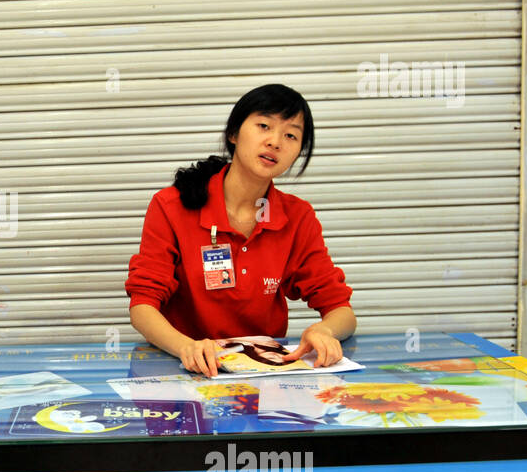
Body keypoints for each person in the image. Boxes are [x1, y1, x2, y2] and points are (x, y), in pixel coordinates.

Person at [125, 84, 356, 378]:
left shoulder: (297, 217)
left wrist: (323, 330)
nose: (275, 142)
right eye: (264, 126)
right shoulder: (171, 206)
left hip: (261, 380)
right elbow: (142, 306)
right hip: (179, 370)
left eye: (290, 135)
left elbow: (342, 311)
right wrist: (187, 347)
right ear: (233, 134)